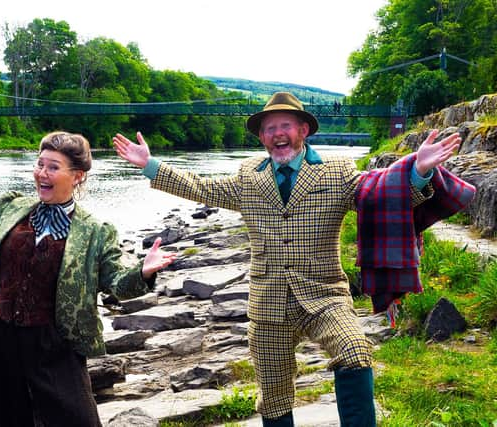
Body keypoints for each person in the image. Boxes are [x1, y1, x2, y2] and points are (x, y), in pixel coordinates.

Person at [112, 92, 474, 427]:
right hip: (267, 302)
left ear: (303, 129)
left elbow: (380, 193)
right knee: (273, 396)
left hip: (324, 296)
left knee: (354, 350)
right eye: (269, 128)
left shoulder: (337, 172)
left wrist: (417, 171)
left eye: (285, 125)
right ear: (262, 137)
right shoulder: (247, 177)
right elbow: (203, 187)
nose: (277, 134)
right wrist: (151, 166)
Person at [0, 130, 177, 427]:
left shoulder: (96, 231)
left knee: (76, 420)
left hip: (53, 342)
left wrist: (144, 271)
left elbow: (118, 283)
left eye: (53, 167)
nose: (42, 173)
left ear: (78, 176)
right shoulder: (11, 207)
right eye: (39, 164)